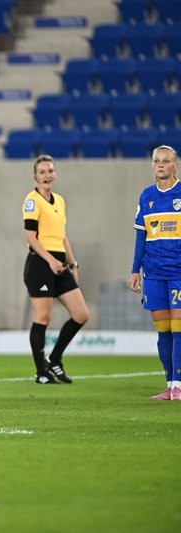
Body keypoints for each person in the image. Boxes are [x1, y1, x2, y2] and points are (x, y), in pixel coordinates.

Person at [22, 155, 89, 384]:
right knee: (43, 317)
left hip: (60, 264)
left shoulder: (59, 200)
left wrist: (73, 264)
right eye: (42, 172)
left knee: (81, 314)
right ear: (35, 176)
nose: (47, 175)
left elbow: (62, 237)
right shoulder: (32, 200)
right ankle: (41, 371)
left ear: (55, 173)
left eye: (50, 171)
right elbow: (31, 238)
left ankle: (55, 359)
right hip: (40, 264)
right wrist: (50, 260)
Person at [129, 145, 181, 401]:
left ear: (176, 165)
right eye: (157, 161)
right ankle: (170, 384)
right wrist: (134, 270)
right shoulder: (146, 196)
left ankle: (179, 386)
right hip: (154, 273)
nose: (161, 165)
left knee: (179, 326)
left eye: (166, 161)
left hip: (179, 273)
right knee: (163, 330)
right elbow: (141, 235)